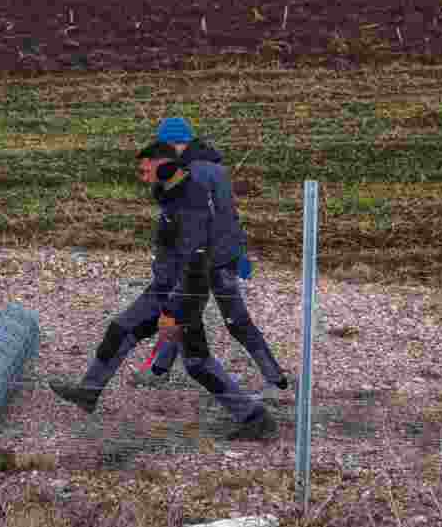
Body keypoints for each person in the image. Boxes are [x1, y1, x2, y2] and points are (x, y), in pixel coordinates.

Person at [49, 132, 278, 441]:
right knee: (125, 332)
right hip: (166, 287)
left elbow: (195, 261)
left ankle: (256, 418)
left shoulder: (191, 201)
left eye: (145, 169)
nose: (141, 176)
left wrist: (173, 311)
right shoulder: (173, 194)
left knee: (194, 362)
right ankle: (89, 391)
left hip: (182, 292)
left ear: (164, 165)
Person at [148, 117, 289, 398]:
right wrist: (239, 252)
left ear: (176, 143)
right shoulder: (215, 169)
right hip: (221, 256)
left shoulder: (188, 174)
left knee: (204, 316)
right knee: (218, 319)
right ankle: (158, 371)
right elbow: (229, 215)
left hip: (202, 260)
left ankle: (277, 382)